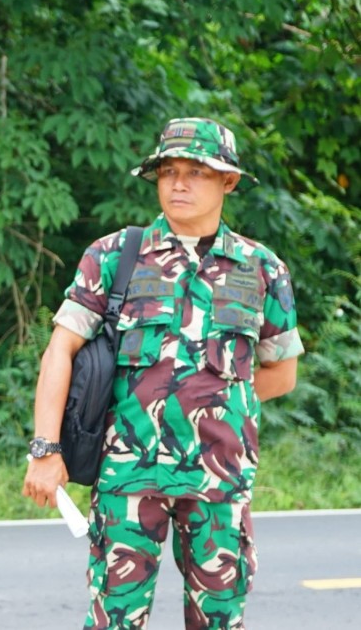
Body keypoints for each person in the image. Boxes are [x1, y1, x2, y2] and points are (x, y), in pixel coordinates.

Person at [22, 118, 304, 629]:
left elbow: (281, 374)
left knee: (219, 622)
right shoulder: (114, 257)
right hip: (129, 477)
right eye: (168, 171)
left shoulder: (261, 269)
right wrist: (46, 448)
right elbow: (59, 351)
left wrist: (214, 400)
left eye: (198, 171)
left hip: (219, 482)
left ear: (229, 181)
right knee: (114, 621)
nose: (179, 183)